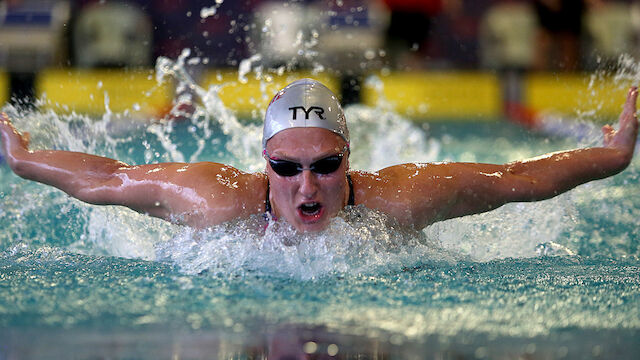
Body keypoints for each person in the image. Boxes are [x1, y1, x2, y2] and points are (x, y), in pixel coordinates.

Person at [0, 79, 638, 233]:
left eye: (326, 166)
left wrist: (611, 156)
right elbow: (111, 178)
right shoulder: (219, 200)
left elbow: (514, 178)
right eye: (287, 168)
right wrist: (24, 159)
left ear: (349, 160)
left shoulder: (398, 199)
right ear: (264, 163)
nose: (308, 186)